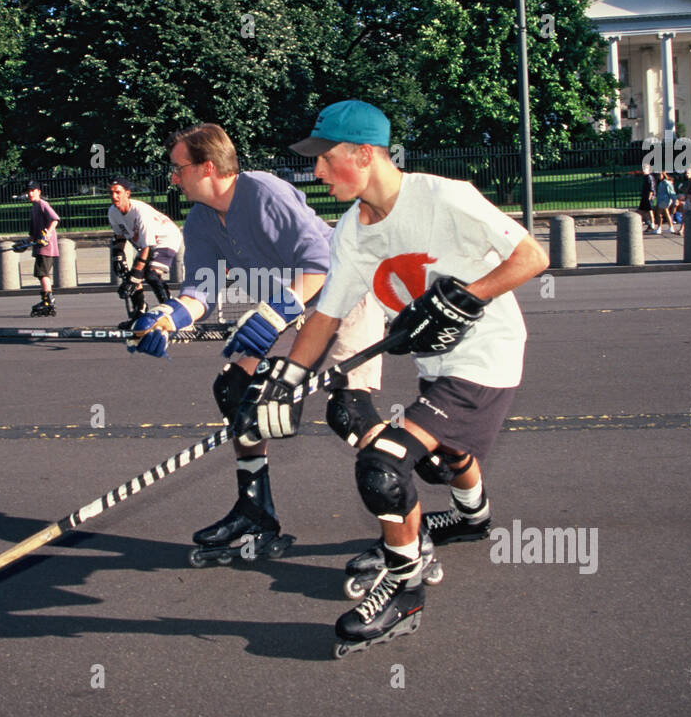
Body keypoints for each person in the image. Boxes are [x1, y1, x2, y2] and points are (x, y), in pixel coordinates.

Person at [233, 100, 549, 657]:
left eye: (327, 160)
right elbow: (328, 315)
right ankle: (473, 517)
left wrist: (468, 296)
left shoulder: (443, 197)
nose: (319, 172)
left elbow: (532, 257)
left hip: (488, 356)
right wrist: (284, 379)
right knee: (442, 453)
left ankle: (404, 590)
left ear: (364, 154)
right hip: (439, 363)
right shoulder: (353, 231)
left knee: (383, 467)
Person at [129, 121, 385, 567]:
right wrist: (167, 319)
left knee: (349, 414)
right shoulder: (202, 218)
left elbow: (321, 263)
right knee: (234, 390)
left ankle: (405, 526)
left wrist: (272, 314)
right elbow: (201, 293)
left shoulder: (265, 192)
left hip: (346, 296)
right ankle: (255, 513)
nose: (173, 177)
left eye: (178, 167)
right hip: (291, 305)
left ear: (207, 167)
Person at [107, 177, 183, 325]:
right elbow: (120, 236)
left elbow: (147, 247)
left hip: (165, 238)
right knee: (129, 274)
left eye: (118, 192)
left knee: (150, 274)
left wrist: (135, 276)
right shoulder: (113, 212)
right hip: (145, 243)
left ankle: (171, 311)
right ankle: (139, 311)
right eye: (111, 193)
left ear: (127, 193)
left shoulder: (140, 212)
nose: (114, 196)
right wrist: (117, 255)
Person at [25, 181, 60, 317]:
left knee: (42, 273)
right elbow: (33, 234)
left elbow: (55, 219)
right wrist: (23, 243)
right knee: (41, 274)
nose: (30, 193)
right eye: (28, 191)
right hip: (39, 246)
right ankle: (47, 300)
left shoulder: (42, 204)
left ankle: (48, 302)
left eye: (32, 190)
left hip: (47, 247)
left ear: (39, 191)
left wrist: (48, 234)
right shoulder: (34, 208)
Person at [637, 166, 658, 231]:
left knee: (649, 211)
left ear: (648, 170)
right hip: (645, 196)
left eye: (645, 169)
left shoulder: (649, 177)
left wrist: (649, 197)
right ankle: (649, 223)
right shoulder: (645, 177)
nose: (643, 170)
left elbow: (651, 188)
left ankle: (652, 224)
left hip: (648, 197)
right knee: (641, 211)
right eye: (643, 169)